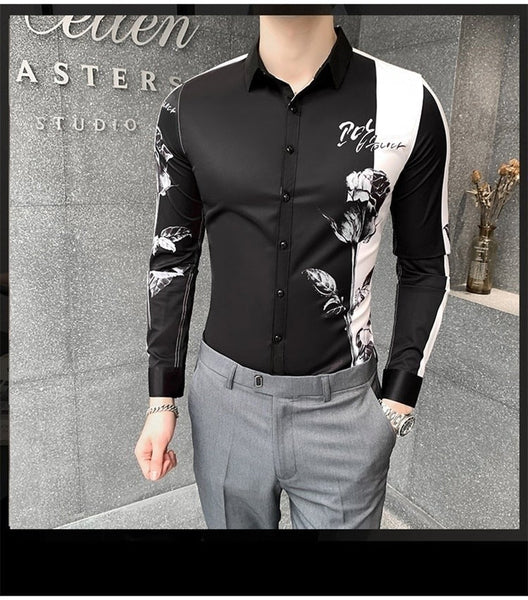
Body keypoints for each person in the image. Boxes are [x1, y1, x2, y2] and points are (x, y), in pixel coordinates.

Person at [135, 11, 451, 529]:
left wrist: (397, 404)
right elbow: (172, 257)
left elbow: (426, 264)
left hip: (345, 413)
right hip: (225, 407)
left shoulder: (408, 101)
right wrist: (161, 399)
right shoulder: (189, 106)